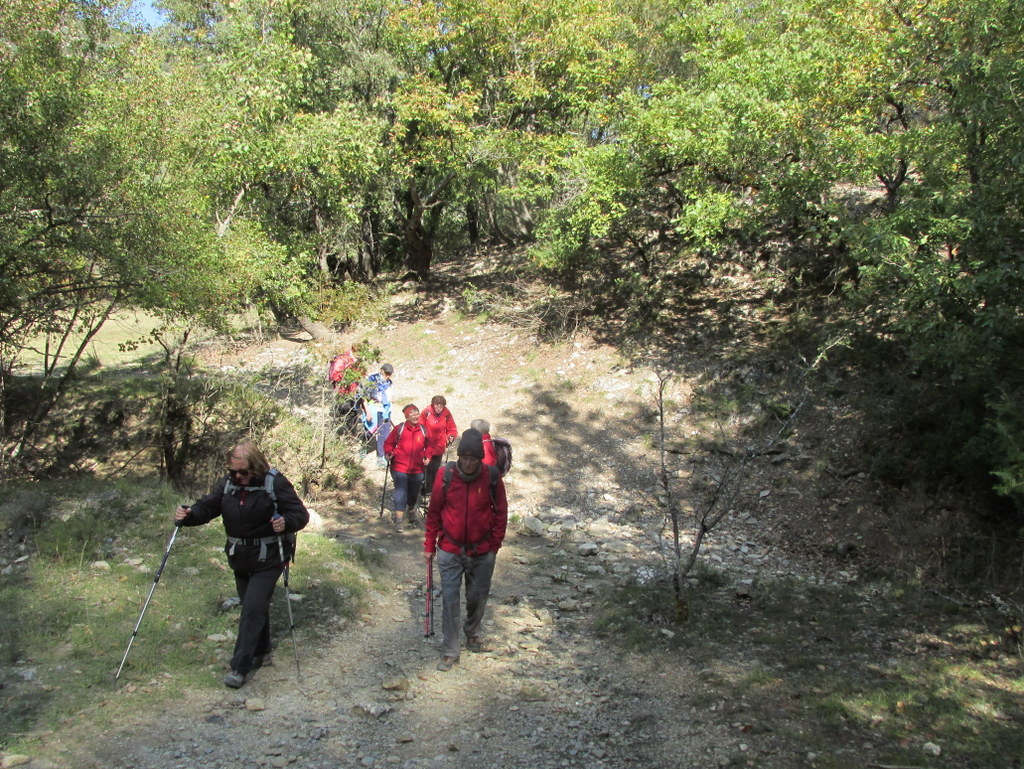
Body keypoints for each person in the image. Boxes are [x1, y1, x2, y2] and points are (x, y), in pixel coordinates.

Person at [174, 440, 309, 689]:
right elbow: (209, 506)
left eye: (243, 472)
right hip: (240, 557)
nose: (238, 476)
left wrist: (285, 522)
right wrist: (189, 515)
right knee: (253, 607)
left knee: (252, 608)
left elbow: (300, 515)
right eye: (233, 471)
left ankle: (239, 667)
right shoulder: (229, 484)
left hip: (269, 557)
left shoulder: (274, 482)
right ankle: (262, 651)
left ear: (256, 468)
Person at [424, 428, 508, 671]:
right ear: (459, 457)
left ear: (481, 459)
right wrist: (429, 545)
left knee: (476, 597)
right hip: (450, 548)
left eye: (474, 459)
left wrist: (494, 545)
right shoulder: (445, 475)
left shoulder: (491, 477)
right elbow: (434, 511)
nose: (469, 463)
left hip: (482, 550)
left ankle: (472, 631)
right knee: (450, 599)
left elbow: (501, 512)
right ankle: (451, 649)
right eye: (465, 458)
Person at [383, 403, 429, 532]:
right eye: (412, 414)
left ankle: (411, 510)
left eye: (416, 413)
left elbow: (429, 446)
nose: (415, 416)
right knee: (400, 491)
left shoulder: (423, 430)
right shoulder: (399, 428)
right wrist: (388, 453)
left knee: (414, 492)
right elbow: (388, 443)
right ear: (406, 416)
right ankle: (399, 519)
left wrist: (428, 456)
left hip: (417, 468)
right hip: (399, 466)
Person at [421, 395, 458, 506]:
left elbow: (452, 428)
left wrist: (451, 436)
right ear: (433, 404)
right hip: (426, 447)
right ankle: (425, 492)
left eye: (441, 405)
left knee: (435, 469)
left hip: (439, 447)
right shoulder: (426, 412)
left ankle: (432, 492)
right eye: (437, 405)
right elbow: (419, 426)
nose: (438, 407)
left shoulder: (446, 414)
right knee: (426, 469)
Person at [365, 363, 395, 467]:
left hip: (385, 410)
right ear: (381, 370)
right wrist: (367, 410)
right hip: (373, 407)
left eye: (389, 374)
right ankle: (364, 447)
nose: (387, 376)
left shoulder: (389, 382)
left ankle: (381, 456)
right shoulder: (372, 380)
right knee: (369, 430)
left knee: (384, 433)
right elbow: (364, 395)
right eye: (386, 373)